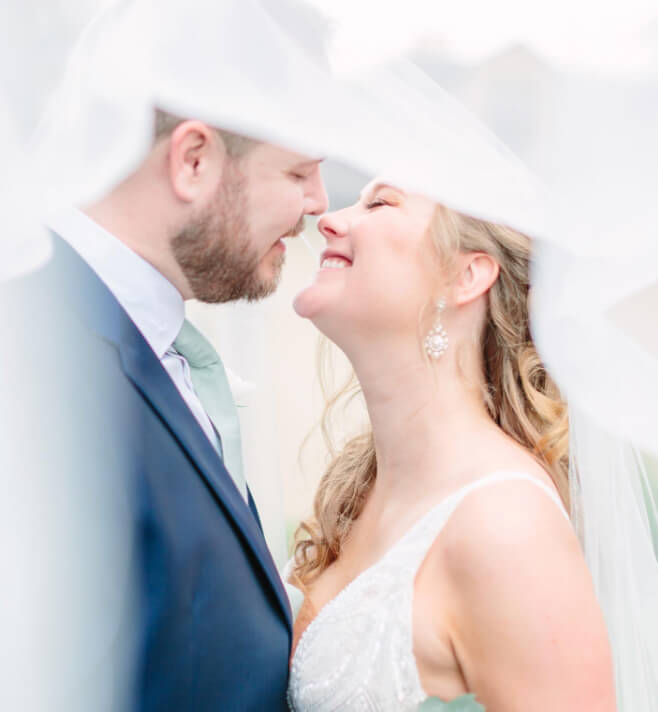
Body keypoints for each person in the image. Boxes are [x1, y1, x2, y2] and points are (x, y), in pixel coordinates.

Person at [2, 110, 327, 711]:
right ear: (193, 161)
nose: (319, 203)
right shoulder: (32, 352)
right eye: (299, 172)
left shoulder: (159, 347)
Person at [287, 180, 616, 711]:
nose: (329, 219)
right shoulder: (359, 493)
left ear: (466, 275)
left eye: (379, 203)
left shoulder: (508, 528)